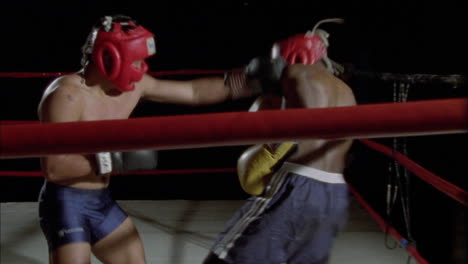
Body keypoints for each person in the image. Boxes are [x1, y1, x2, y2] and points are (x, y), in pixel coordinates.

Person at [37, 15, 270, 264]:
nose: (142, 69)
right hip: (65, 202)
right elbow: (53, 167)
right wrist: (111, 161)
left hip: (100, 200)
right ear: (110, 59)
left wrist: (249, 82)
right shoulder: (66, 95)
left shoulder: (135, 87)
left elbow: (193, 92)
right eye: (136, 61)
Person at [203, 18, 357, 264]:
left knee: (224, 259)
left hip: (299, 185)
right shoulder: (347, 91)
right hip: (335, 193)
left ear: (292, 56)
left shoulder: (294, 72)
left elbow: (274, 133)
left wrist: (248, 83)